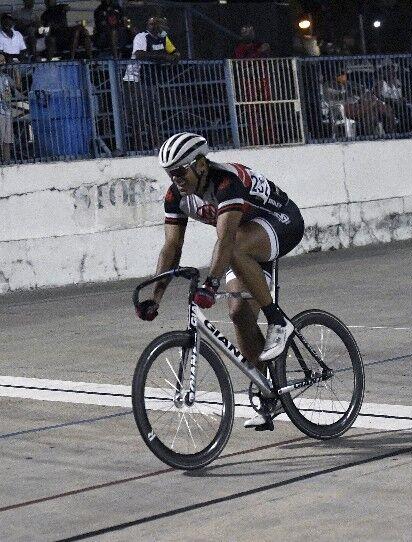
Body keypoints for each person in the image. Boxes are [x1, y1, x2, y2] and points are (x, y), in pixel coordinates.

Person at [136, 133, 305, 430]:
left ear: (200, 165)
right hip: (244, 242)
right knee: (238, 314)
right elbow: (171, 248)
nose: (174, 179)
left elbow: (226, 240)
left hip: (281, 222)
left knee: (235, 245)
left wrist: (211, 284)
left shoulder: (227, 182)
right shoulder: (176, 195)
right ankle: (270, 392)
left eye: (179, 171)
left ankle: (278, 321)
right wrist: (156, 297)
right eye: (169, 173)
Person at [122, 16, 178, 150]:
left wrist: (174, 57)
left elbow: (174, 52)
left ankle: (156, 144)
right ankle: (139, 145)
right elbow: (140, 54)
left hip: (151, 79)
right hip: (135, 79)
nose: (162, 28)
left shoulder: (164, 37)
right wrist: (163, 57)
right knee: (138, 114)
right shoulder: (142, 37)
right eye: (158, 25)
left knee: (154, 113)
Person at [0, 53, 16, 162]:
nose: (3, 63)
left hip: (6, 111)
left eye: (3, 60)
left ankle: (7, 163)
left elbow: (10, 93)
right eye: (1, 61)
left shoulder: (5, 77)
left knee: (7, 140)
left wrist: (16, 71)